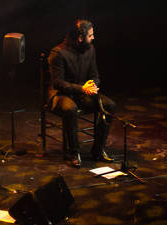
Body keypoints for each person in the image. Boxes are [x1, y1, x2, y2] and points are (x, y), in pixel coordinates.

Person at [48, 19, 116, 168]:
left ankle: (98, 150)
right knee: (70, 109)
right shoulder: (58, 52)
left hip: (81, 93)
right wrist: (82, 89)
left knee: (109, 105)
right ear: (80, 38)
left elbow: (95, 75)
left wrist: (93, 85)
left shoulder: (90, 49)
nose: (93, 37)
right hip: (60, 94)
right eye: (90, 35)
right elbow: (58, 83)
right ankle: (73, 152)